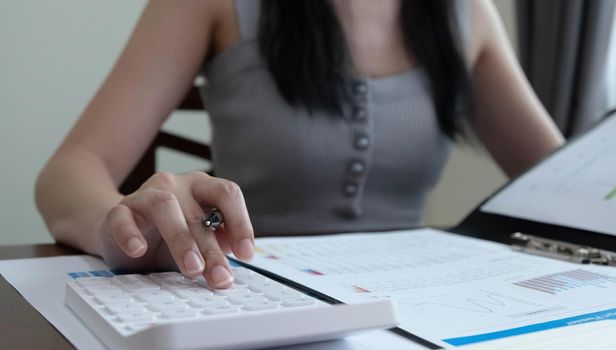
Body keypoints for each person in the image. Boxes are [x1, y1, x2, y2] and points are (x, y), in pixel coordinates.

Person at [35, 0, 564, 289]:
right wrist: (117, 225)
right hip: (241, 295)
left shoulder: (466, 14)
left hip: (417, 312)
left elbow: (567, 185)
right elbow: (72, 168)